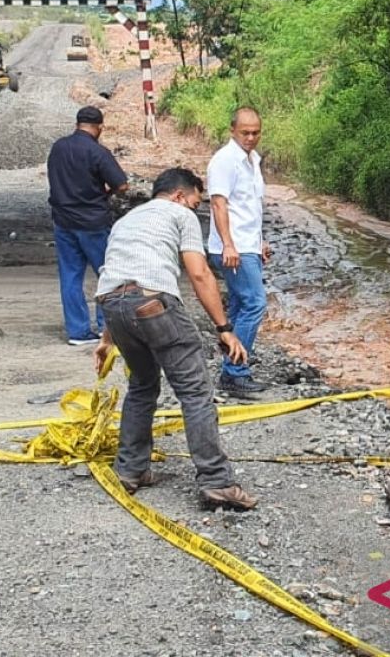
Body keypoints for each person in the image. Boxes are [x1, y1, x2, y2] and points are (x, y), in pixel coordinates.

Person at [93, 167, 258, 511]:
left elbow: (116, 278)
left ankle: (131, 470)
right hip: (155, 303)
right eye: (196, 202)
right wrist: (224, 328)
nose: (196, 208)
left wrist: (107, 339)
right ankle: (216, 482)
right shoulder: (180, 216)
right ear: (181, 196)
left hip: (112, 306)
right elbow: (199, 273)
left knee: (141, 385)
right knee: (195, 391)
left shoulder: (125, 222)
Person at [47, 105, 129, 346]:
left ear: (77, 124)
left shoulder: (58, 148)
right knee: (107, 273)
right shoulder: (97, 152)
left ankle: (78, 331)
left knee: (70, 276)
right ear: (99, 127)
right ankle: (108, 327)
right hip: (93, 222)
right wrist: (105, 191)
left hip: (63, 221)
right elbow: (122, 185)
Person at [206, 106, 271, 397]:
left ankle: (230, 367)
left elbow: (248, 207)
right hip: (233, 248)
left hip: (247, 244)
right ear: (232, 130)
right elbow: (219, 204)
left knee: (238, 305)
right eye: (245, 132)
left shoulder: (252, 161)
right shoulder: (224, 161)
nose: (251, 137)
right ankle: (235, 372)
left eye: (256, 132)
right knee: (255, 303)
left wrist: (260, 243)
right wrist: (229, 244)